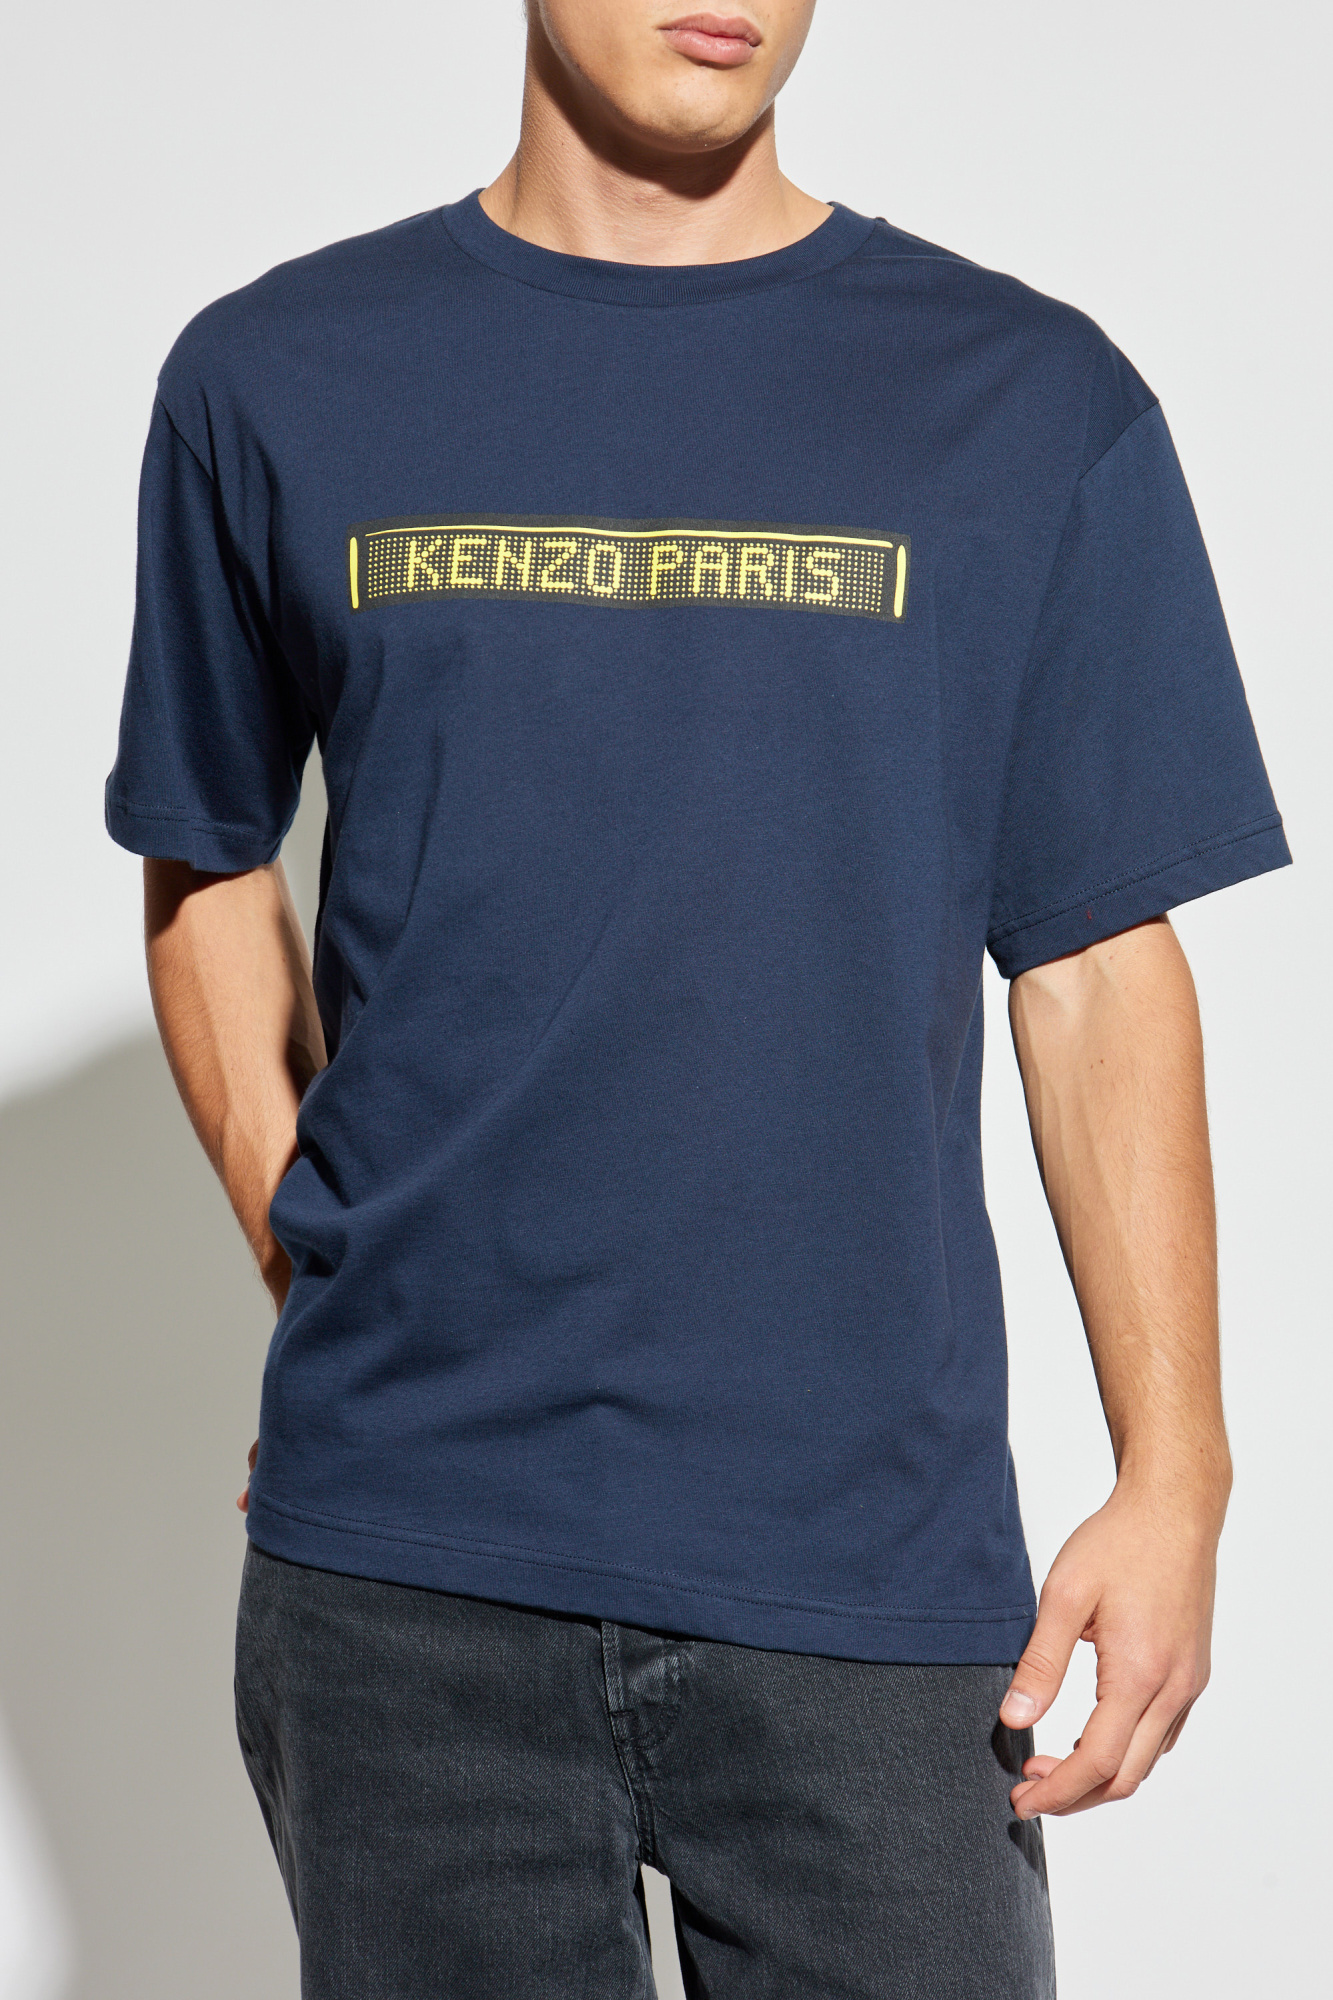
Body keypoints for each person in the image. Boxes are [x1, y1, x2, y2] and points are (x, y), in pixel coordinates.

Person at [104, 3, 1290, 1994]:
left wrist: (1177, 1477)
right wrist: (314, 1269)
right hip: (407, 1577)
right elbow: (205, 848)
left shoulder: (1025, 398)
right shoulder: (276, 374)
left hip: (867, 1559)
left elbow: (1092, 958)